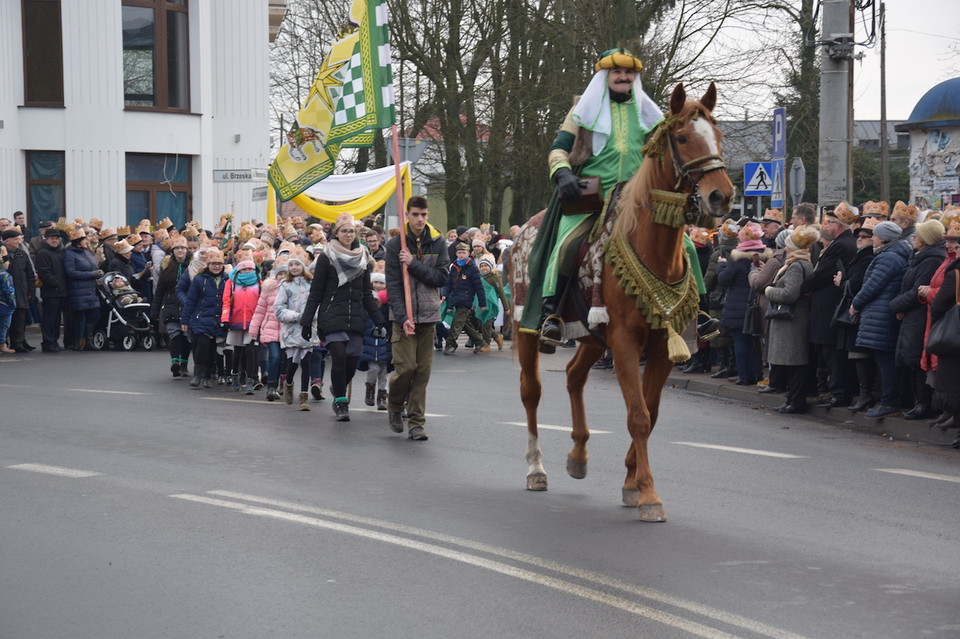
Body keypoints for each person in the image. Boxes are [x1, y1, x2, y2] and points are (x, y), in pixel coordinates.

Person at [521, 48, 663, 352]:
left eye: (629, 73)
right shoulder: (582, 110)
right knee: (569, 245)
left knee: (684, 246)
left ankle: (699, 314)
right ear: (605, 76)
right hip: (591, 200)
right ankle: (552, 316)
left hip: (637, 202)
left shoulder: (649, 112)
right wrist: (563, 174)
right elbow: (558, 150)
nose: (623, 77)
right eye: (617, 72)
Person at [301, 214, 385, 422]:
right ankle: (340, 402)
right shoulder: (327, 257)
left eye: (351, 231)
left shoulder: (363, 256)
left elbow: (366, 292)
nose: (348, 234)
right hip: (331, 315)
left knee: (351, 363)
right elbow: (316, 291)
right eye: (344, 231)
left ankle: (337, 385)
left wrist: (379, 320)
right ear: (336, 233)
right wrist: (306, 320)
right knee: (338, 357)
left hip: (355, 316)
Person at [384, 195, 450, 441]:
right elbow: (393, 286)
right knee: (406, 369)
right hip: (404, 318)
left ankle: (416, 423)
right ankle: (394, 404)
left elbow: (441, 278)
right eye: (415, 215)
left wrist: (412, 264)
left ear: (427, 215)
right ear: (407, 215)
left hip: (429, 315)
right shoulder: (395, 245)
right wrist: (402, 317)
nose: (420, 219)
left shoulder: (438, 242)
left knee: (422, 372)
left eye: (423, 215)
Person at [849, 221, 912, 419]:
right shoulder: (892, 254)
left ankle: (889, 403)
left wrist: (856, 303)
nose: (872, 239)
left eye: (875, 235)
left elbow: (873, 285)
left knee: (886, 362)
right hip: (881, 314)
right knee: (885, 361)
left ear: (884, 238)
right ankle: (889, 400)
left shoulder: (889, 257)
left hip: (882, 315)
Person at [890, 219, 946, 420]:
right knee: (913, 359)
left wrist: (896, 304)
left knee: (918, 360)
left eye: (918, 235)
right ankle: (917, 401)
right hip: (913, 315)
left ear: (926, 239)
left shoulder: (931, 260)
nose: (914, 238)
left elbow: (918, 291)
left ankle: (923, 403)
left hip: (920, 316)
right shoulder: (921, 257)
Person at [804, 202, 858, 408]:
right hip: (829, 304)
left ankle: (839, 392)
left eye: (829, 222)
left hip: (829, 306)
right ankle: (838, 390)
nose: (826, 226)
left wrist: (804, 286)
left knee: (833, 352)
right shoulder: (845, 242)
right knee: (831, 352)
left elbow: (822, 273)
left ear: (838, 225)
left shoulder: (841, 245)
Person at [764, 226, 819, 413]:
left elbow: (790, 293)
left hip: (792, 320)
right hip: (792, 319)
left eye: (787, 246)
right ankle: (792, 399)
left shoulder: (796, 265)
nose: (785, 250)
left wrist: (770, 291)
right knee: (792, 362)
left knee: (795, 362)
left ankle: (796, 400)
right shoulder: (801, 262)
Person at [717, 222, 771, 386]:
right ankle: (757, 374)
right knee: (755, 343)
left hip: (738, 307)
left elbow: (724, 279)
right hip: (759, 304)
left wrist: (721, 265)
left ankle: (744, 375)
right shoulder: (766, 256)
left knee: (740, 342)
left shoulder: (737, 259)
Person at [275, 254, 320, 411]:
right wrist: (296, 316)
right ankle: (288, 383)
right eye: (291, 264)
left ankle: (303, 396)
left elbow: (318, 304)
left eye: (297, 264)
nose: (294, 267)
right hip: (292, 329)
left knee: (306, 362)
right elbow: (279, 309)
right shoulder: (285, 285)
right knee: (293, 362)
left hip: (309, 329)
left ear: (303, 266)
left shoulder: (312, 284)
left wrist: (310, 316)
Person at [181, 248, 228, 389]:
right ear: (208, 264)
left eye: (219, 264)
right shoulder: (199, 279)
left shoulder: (227, 280)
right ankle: (198, 374)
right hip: (201, 317)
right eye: (213, 263)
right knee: (202, 344)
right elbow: (191, 300)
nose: (216, 266)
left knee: (212, 348)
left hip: (217, 319)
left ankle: (208, 375)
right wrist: (185, 320)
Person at [151, 236, 192, 376]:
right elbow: (160, 290)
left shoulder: (193, 266)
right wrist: (155, 312)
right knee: (175, 335)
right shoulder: (167, 266)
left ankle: (184, 364)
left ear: (186, 250)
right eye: (177, 248)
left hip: (187, 305)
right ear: (173, 250)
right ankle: (175, 362)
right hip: (171, 305)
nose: (180, 251)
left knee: (186, 336)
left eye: (182, 248)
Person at [220, 259, 262, 393]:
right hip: (235, 320)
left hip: (253, 321)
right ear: (238, 271)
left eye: (250, 269)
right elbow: (226, 301)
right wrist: (225, 318)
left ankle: (250, 379)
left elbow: (262, 303)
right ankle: (235, 375)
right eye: (244, 269)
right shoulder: (231, 283)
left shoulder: (259, 284)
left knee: (250, 350)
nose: (247, 271)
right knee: (237, 351)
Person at [249, 258, 287, 401]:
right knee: (274, 356)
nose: (283, 276)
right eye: (280, 273)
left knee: (284, 360)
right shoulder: (268, 289)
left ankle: (279, 385)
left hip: (287, 331)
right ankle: (271, 387)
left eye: (285, 273)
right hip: (270, 329)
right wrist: (254, 329)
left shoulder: (294, 289)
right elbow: (260, 311)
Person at [441, 242, 487, 355]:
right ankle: (479, 341)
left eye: (463, 252)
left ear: (468, 253)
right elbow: (449, 283)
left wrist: (482, 303)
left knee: (457, 323)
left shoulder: (472, 267)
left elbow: (479, 287)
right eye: (459, 252)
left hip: (466, 299)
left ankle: (451, 343)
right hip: (456, 298)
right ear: (456, 253)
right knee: (464, 323)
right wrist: (445, 294)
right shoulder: (455, 266)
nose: (461, 255)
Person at [63, 228, 103, 351]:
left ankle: (89, 339)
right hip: (78, 291)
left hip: (90, 290)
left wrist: (98, 272)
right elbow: (71, 272)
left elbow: (93, 266)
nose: (88, 241)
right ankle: (80, 341)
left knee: (94, 315)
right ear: (79, 241)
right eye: (85, 239)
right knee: (80, 318)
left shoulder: (86, 252)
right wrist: (91, 275)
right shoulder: (70, 254)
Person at [358, 273, 392, 410]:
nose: (378, 285)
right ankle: (370, 387)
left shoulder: (387, 304)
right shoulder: (365, 300)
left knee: (383, 372)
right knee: (373, 368)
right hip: (369, 342)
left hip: (384, 343)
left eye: (381, 283)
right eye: (375, 282)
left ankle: (382, 396)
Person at [34, 227, 68, 352]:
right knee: (49, 319)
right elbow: (44, 272)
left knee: (57, 320)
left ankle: (54, 341)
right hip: (51, 292)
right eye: (52, 238)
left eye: (56, 238)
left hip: (60, 291)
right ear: (46, 239)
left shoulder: (58, 252)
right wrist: (56, 284)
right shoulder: (43, 253)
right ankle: (48, 342)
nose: (54, 240)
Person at [2, 228, 36, 352]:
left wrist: (30, 292)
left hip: (21, 291)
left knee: (20, 320)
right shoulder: (2, 256)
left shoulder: (22, 253)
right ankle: (4, 343)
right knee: (6, 321)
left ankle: (18, 343)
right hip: (5, 293)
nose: (18, 241)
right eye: (15, 239)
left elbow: (29, 274)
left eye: (19, 239)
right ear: (7, 242)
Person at [0, 245, 16, 353]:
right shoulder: (4, 275)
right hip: (5, 304)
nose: (9, 263)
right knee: (4, 326)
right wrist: (12, 304)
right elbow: (9, 291)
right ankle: (2, 345)